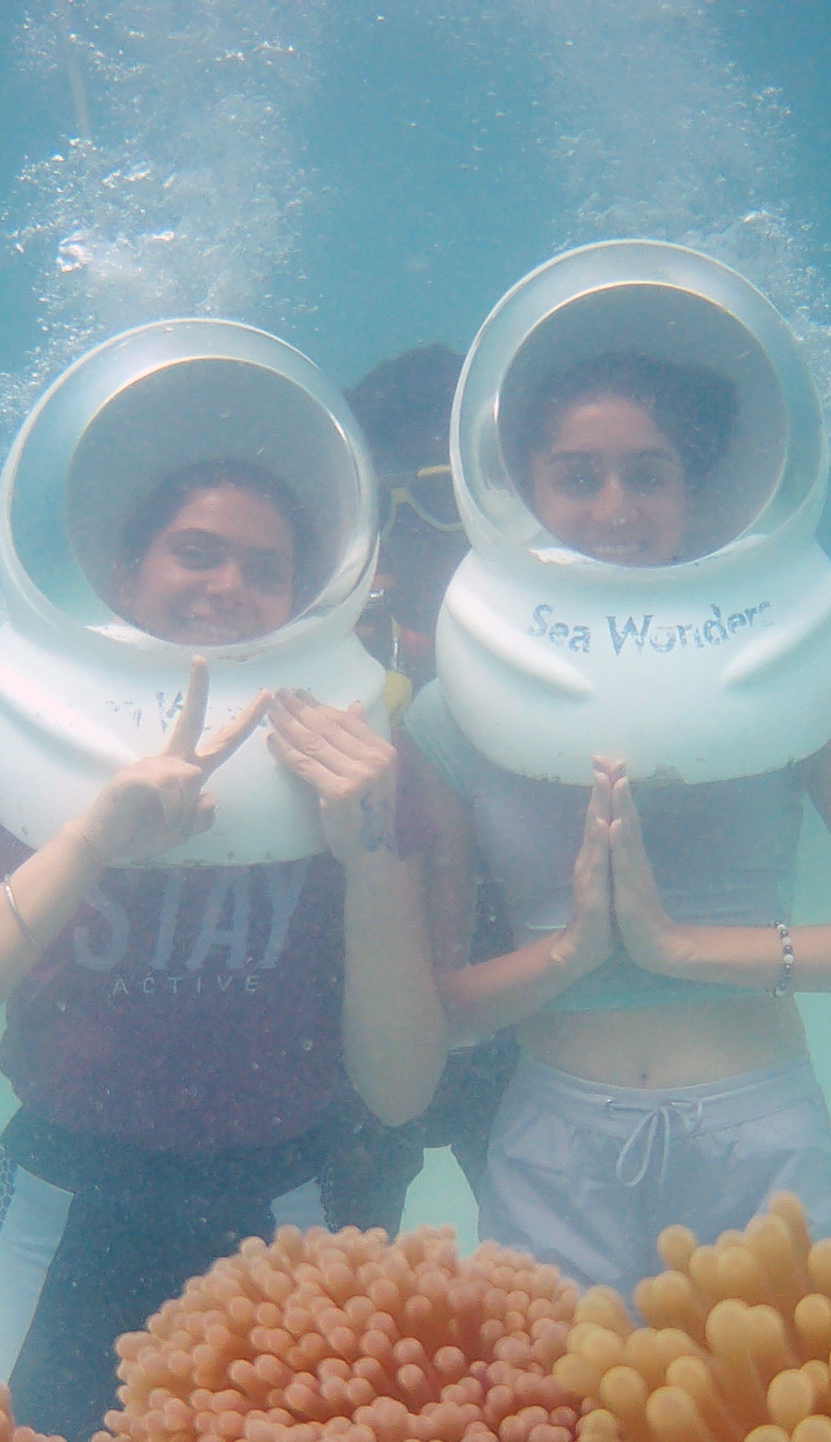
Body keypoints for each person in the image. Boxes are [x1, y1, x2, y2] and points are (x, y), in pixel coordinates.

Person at [0, 456, 445, 1442]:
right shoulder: (12, 760)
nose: (227, 586)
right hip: (68, 1196)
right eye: (195, 551)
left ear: (304, 603)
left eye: (266, 569)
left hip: (288, 1191)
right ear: (122, 576)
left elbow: (399, 1088)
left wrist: (372, 856)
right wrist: (86, 842)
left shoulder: (361, 772)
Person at [405, 352, 831, 1297]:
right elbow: (441, 1016)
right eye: (578, 476)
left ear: (692, 492)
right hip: (549, 1146)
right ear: (520, 495)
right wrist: (577, 950)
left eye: (648, 473)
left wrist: (683, 948)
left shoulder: (796, 687)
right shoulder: (452, 711)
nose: (615, 505)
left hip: (759, 1134)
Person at [312, 348, 519, 1234]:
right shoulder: (309, 630)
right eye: (378, 507)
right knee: (347, 1338)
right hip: (343, 1044)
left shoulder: (552, 648)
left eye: (436, 501)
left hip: (522, 1021)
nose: (404, 538)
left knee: (561, 1317)